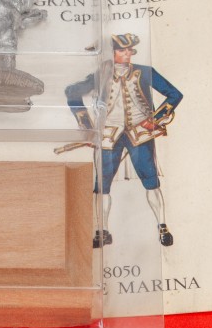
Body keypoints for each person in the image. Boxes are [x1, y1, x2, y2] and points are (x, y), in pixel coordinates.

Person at [65, 33, 182, 247]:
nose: (127, 54)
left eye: (129, 50)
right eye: (122, 50)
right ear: (111, 53)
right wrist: (87, 127)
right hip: (109, 135)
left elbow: (174, 94)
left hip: (140, 133)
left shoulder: (145, 72)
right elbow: (71, 92)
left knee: (151, 181)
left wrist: (154, 119)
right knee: (102, 185)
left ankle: (163, 226)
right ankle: (102, 231)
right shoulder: (100, 75)